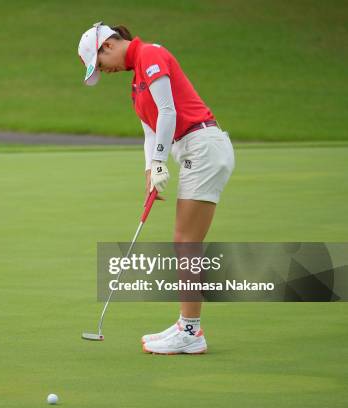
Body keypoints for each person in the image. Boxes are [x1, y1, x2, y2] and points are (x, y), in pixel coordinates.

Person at [78, 22, 235, 354]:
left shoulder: (151, 53)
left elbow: (168, 111)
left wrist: (162, 161)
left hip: (202, 145)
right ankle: (186, 325)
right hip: (192, 149)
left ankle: (191, 333)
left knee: (186, 242)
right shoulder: (136, 81)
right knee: (184, 241)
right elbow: (151, 131)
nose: (105, 72)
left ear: (107, 45)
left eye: (101, 65)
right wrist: (151, 170)